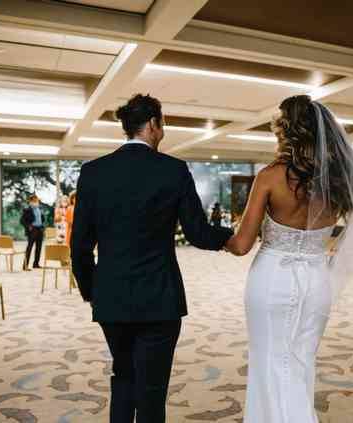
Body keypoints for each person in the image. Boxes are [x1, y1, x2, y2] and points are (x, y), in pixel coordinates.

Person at [71, 94, 233, 423]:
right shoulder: (172, 170)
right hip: (159, 299)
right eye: (162, 126)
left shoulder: (93, 172)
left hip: (112, 299)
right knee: (152, 390)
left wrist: (92, 291)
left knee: (123, 378)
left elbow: (80, 246)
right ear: (153, 125)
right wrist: (234, 236)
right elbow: (198, 234)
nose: (163, 134)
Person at [224, 95, 353, 423]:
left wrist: (217, 237)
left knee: (269, 361)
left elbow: (241, 244)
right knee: (301, 362)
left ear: (287, 131)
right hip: (318, 281)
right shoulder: (340, 182)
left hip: (272, 278)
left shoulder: (269, 177)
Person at [21, 194, 45, 270]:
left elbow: (42, 218)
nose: (36, 202)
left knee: (39, 247)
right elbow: (22, 221)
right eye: (34, 200)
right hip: (32, 230)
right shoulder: (27, 210)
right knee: (29, 248)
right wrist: (29, 226)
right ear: (30, 201)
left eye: (36, 200)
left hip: (40, 229)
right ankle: (25, 266)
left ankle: (36, 264)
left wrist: (42, 226)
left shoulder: (39, 209)